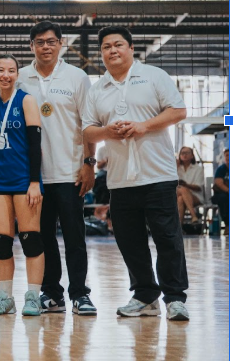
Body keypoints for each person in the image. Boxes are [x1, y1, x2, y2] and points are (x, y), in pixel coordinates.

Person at [83, 26, 189, 321]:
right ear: (101, 53)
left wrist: (143, 126)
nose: (112, 50)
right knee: (129, 242)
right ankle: (145, 296)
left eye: (118, 44)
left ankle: (175, 299)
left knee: (167, 239)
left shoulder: (154, 76)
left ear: (131, 48)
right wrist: (107, 132)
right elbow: (87, 131)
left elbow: (178, 111)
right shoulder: (97, 89)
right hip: (119, 179)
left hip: (157, 175)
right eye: (106, 47)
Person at [16, 20, 97, 315]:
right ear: (31, 46)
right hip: (34, 176)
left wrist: (89, 163)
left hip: (70, 171)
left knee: (75, 237)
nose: (45, 47)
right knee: (43, 237)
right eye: (39, 42)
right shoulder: (20, 77)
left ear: (61, 44)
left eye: (51, 41)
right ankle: (52, 294)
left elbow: (89, 124)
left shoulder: (77, 77)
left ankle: (80, 294)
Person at [0, 55, 45, 317]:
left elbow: (35, 144)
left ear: (17, 75)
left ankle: (33, 297)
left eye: (11, 70)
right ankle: (5, 298)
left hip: (24, 180)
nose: (6, 75)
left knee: (31, 240)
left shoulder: (26, 100)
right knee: (1, 242)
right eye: (0, 70)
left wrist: (34, 182)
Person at [176, 146, 205, 225]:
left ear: (192, 155)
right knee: (180, 197)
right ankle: (194, 216)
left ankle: (179, 228)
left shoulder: (198, 169)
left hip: (195, 195)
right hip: (177, 194)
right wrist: (175, 167)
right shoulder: (177, 168)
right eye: (182, 153)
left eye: (187, 153)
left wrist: (187, 185)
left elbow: (199, 187)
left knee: (182, 193)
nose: (184, 155)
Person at [213, 148, 230, 230]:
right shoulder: (221, 169)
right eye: (227, 155)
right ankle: (228, 224)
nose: (228, 157)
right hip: (222, 193)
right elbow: (219, 183)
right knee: (223, 198)